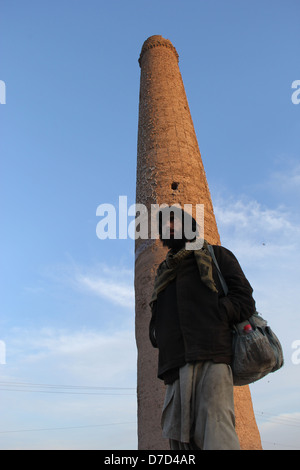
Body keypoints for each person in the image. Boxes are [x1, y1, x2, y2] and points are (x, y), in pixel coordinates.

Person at [149, 206, 256, 450]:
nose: (170, 228)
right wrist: (157, 334)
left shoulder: (218, 256)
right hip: (174, 366)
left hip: (212, 357)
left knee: (216, 432)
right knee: (180, 443)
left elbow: (245, 300)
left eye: (175, 222)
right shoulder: (164, 272)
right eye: (165, 226)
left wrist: (218, 314)